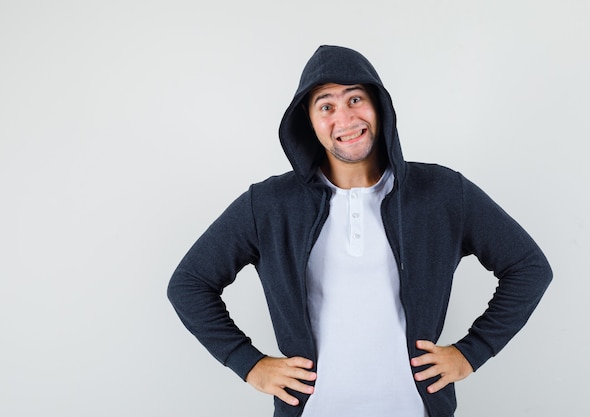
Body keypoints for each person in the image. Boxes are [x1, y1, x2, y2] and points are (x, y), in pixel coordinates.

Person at [167, 45, 552, 417]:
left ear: (379, 106)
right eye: (327, 106)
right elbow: (189, 283)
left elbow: (529, 267)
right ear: (310, 121)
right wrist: (248, 363)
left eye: (355, 99)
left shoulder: (442, 193)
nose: (345, 119)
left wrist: (472, 352)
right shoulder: (269, 204)